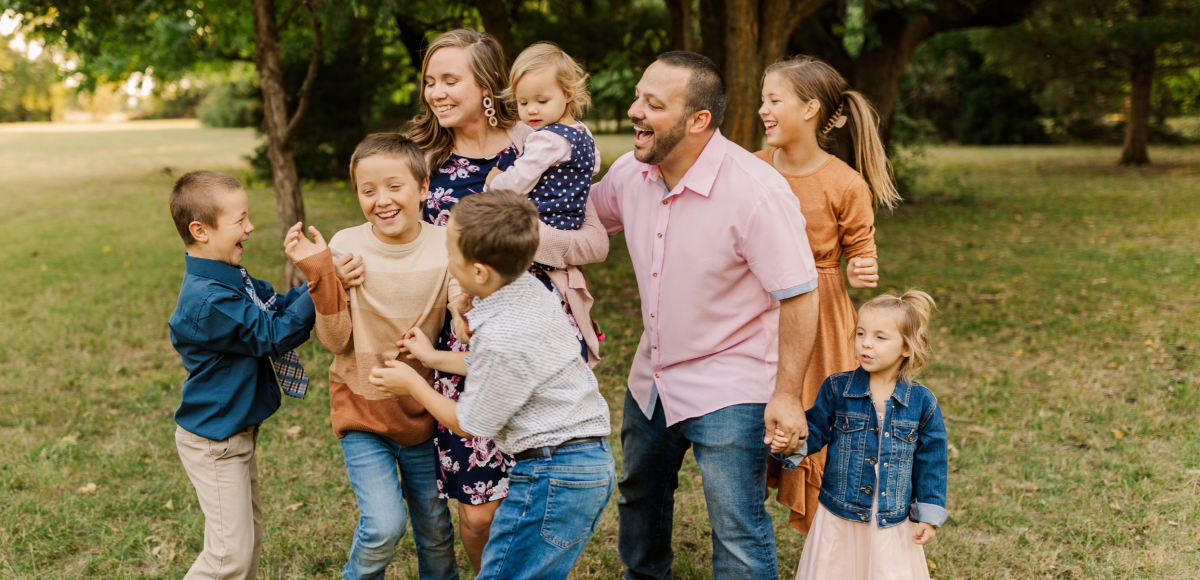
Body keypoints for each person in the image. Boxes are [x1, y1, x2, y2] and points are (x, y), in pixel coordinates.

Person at [335, 29, 609, 571]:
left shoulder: (536, 140)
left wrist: (512, 241)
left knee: (533, 482)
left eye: (449, 79)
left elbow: (594, 242)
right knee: (478, 511)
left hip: (533, 326)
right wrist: (347, 261)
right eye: (429, 81)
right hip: (458, 332)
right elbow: (390, 225)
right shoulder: (423, 158)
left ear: (486, 84)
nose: (435, 92)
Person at [589, 51, 820, 580]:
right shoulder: (630, 173)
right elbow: (584, 229)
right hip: (654, 374)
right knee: (639, 499)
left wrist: (785, 394)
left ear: (699, 121)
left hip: (732, 381)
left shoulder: (756, 192)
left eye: (653, 103)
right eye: (637, 97)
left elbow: (800, 295)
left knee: (736, 524)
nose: (634, 111)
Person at [368, 190, 615, 580]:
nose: (447, 260)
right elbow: (501, 366)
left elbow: (470, 422)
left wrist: (413, 384)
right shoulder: (530, 291)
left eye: (451, 253)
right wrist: (436, 356)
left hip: (554, 473)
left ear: (479, 271)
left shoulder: (502, 336)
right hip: (581, 463)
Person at [286, 134, 461, 580]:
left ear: (423, 188)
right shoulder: (347, 245)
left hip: (420, 411)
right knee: (384, 526)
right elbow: (334, 338)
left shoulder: (446, 246)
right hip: (361, 411)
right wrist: (325, 276)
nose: (381, 200)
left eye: (394, 186)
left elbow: (462, 315)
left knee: (437, 530)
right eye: (368, 190)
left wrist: (467, 312)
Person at [756, 55, 902, 534]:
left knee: (818, 426)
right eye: (763, 99)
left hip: (821, 316)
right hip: (755, 310)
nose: (763, 109)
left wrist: (863, 270)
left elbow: (862, 261)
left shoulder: (845, 183)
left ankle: (829, 546)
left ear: (810, 108)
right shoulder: (752, 169)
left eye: (774, 100)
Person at [167, 171, 315, 580]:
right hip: (215, 440)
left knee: (246, 545)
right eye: (240, 219)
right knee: (228, 556)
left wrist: (318, 276)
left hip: (235, 430)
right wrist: (322, 285)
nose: (250, 227)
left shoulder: (233, 279)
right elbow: (273, 334)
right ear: (201, 231)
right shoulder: (208, 299)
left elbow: (278, 307)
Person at [770, 290, 948, 580]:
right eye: (861, 333)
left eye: (880, 337)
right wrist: (791, 442)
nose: (866, 343)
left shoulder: (922, 402)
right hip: (840, 509)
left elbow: (932, 462)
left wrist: (929, 514)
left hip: (890, 516)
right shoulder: (837, 388)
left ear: (906, 347)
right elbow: (814, 429)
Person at [485, 41, 600, 233]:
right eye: (523, 102)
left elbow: (517, 183)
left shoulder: (546, 139)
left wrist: (495, 180)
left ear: (568, 93)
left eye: (542, 101)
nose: (531, 109)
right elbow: (594, 166)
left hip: (538, 226)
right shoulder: (582, 130)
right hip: (571, 223)